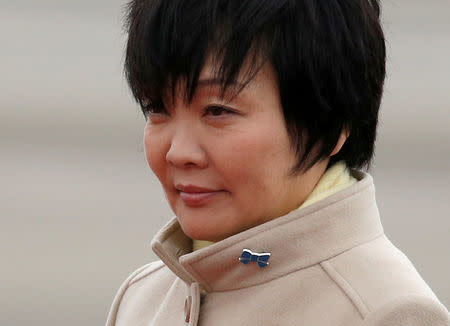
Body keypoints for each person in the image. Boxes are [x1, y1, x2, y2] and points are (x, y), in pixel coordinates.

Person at [106, 0, 449, 325]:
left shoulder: (387, 313)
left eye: (218, 110)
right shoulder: (141, 301)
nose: (178, 153)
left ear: (328, 123)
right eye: (157, 108)